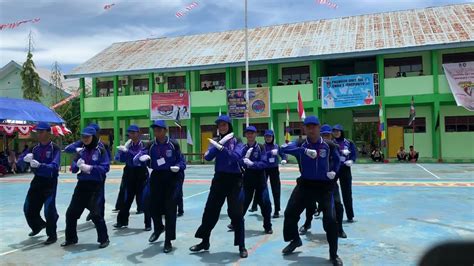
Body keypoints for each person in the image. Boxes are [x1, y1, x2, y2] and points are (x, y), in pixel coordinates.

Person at [280, 116, 343, 266]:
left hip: (324, 187)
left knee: (330, 220)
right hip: (305, 185)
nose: (311, 129)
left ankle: (333, 254)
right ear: (304, 128)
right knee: (289, 214)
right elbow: (283, 148)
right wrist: (304, 151)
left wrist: (334, 172)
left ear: (319, 127)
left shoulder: (329, 145)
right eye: (308, 126)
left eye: (314, 126)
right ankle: (295, 240)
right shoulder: (300, 143)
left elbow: (338, 160)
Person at [189, 115, 248, 258]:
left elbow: (237, 157)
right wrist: (217, 146)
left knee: (237, 213)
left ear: (229, 126)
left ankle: (241, 246)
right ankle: (204, 241)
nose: (222, 127)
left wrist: (223, 148)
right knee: (210, 211)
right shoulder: (215, 141)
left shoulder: (237, 140)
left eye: (224, 125)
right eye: (219, 125)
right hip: (219, 179)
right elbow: (208, 157)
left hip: (235, 180)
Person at [137, 120, 186, 253]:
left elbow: (181, 160)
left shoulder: (173, 144)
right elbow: (140, 154)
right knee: (150, 205)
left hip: (171, 177)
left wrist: (179, 167)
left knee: (170, 210)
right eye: (155, 130)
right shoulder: (150, 145)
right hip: (156, 176)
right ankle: (158, 227)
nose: (156, 132)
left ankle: (168, 240)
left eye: (159, 129)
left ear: (165, 130)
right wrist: (141, 157)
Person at [61, 126, 110, 249]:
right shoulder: (81, 150)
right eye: (83, 136)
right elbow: (74, 167)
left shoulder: (101, 150)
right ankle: (71, 238)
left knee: (96, 214)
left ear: (93, 137)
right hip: (82, 185)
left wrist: (90, 168)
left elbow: (105, 168)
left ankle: (104, 239)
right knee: (71, 213)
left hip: (95, 186)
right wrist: (76, 165)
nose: (85, 139)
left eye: (87, 136)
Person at [300, 125, 347, 238]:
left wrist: (334, 173)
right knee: (309, 204)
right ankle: (307, 224)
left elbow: (338, 163)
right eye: (324, 135)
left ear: (331, 136)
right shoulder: (315, 147)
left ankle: (340, 228)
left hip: (331, 183)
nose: (326, 137)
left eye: (328, 135)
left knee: (338, 205)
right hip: (315, 183)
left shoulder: (334, 147)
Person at [18, 122, 60, 245]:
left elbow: (55, 166)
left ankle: (52, 234)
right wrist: (24, 160)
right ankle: (37, 226)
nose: (39, 134)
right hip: (37, 180)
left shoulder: (54, 148)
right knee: (28, 207)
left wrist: (41, 165)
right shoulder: (34, 148)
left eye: (41, 132)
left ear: (48, 132)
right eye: (38, 132)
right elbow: (20, 161)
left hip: (50, 181)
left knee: (49, 209)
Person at [237, 126, 272, 234]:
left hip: (260, 181)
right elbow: (239, 161)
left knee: (266, 203)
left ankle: (267, 226)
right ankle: (236, 223)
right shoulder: (243, 148)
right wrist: (243, 161)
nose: (250, 135)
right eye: (248, 133)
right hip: (247, 180)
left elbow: (264, 163)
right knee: (241, 203)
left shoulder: (261, 148)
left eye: (252, 133)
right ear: (246, 135)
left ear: (256, 134)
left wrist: (252, 164)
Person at [113, 125, 148, 229]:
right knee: (126, 197)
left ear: (139, 133)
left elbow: (139, 157)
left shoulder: (144, 145)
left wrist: (128, 151)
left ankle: (148, 224)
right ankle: (122, 221)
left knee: (144, 198)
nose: (131, 135)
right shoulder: (128, 144)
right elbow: (121, 159)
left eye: (133, 133)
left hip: (141, 172)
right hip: (129, 171)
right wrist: (122, 152)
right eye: (130, 133)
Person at [332, 124, 357, 223]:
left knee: (347, 193)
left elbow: (354, 154)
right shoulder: (331, 142)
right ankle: (333, 213)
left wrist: (352, 161)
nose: (336, 133)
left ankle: (350, 215)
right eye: (334, 131)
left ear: (341, 132)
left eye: (338, 131)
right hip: (335, 168)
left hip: (345, 168)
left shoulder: (348, 142)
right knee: (331, 191)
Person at [263, 129, 287, 218]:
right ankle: (259, 206)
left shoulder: (277, 146)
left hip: (274, 169)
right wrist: (270, 153)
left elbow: (283, 154)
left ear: (273, 137)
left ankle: (277, 210)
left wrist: (284, 159)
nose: (268, 138)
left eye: (270, 136)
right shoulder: (262, 147)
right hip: (264, 169)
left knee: (276, 189)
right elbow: (262, 155)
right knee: (262, 188)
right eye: (266, 136)